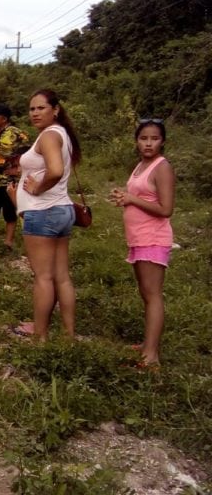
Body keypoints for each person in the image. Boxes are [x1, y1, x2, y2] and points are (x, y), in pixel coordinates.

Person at [8, 89, 81, 341]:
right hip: (62, 209)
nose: (35, 113)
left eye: (41, 108)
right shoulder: (61, 134)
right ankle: (68, 334)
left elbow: (55, 170)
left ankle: (40, 337)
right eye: (32, 109)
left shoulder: (49, 136)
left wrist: (37, 188)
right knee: (61, 276)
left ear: (56, 109)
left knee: (43, 278)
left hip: (44, 212)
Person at [109, 119, 175, 367]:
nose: (148, 143)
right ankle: (147, 344)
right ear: (137, 141)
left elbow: (166, 209)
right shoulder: (141, 165)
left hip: (153, 238)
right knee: (146, 294)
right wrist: (126, 199)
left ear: (163, 141)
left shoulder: (162, 167)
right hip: (138, 238)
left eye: (154, 138)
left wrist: (132, 200)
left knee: (153, 295)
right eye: (143, 138)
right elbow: (141, 196)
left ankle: (152, 356)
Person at [0, 104, 30, 248]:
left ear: (4, 118)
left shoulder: (16, 133)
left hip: (9, 181)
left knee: (9, 213)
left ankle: (8, 242)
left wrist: (18, 168)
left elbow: (29, 151)